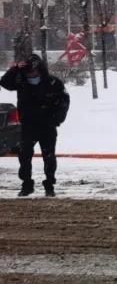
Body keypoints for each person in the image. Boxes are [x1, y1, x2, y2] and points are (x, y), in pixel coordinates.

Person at [1, 54, 69, 197]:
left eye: (32, 71)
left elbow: (63, 102)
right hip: (28, 126)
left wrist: (56, 120)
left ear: (40, 69)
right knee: (24, 155)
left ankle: (49, 185)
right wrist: (15, 69)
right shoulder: (21, 82)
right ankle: (26, 184)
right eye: (27, 72)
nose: (30, 74)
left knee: (49, 156)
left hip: (47, 126)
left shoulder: (53, 83)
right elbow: (5, 82)